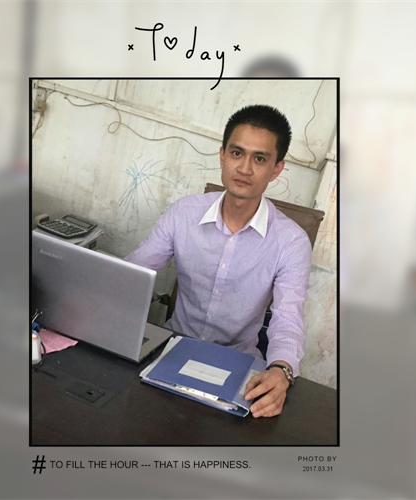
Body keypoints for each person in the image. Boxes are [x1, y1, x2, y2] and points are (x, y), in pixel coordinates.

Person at [126, 105, 312, 418]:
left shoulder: (291, 242)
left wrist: (281, 370)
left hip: (238, 365)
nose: (245, 168)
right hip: (171, 349)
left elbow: (288, 319)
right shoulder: (184, 213)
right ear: (222, 155)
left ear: (277, 169)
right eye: (237, 153)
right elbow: (133, 273)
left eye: (260, 159)